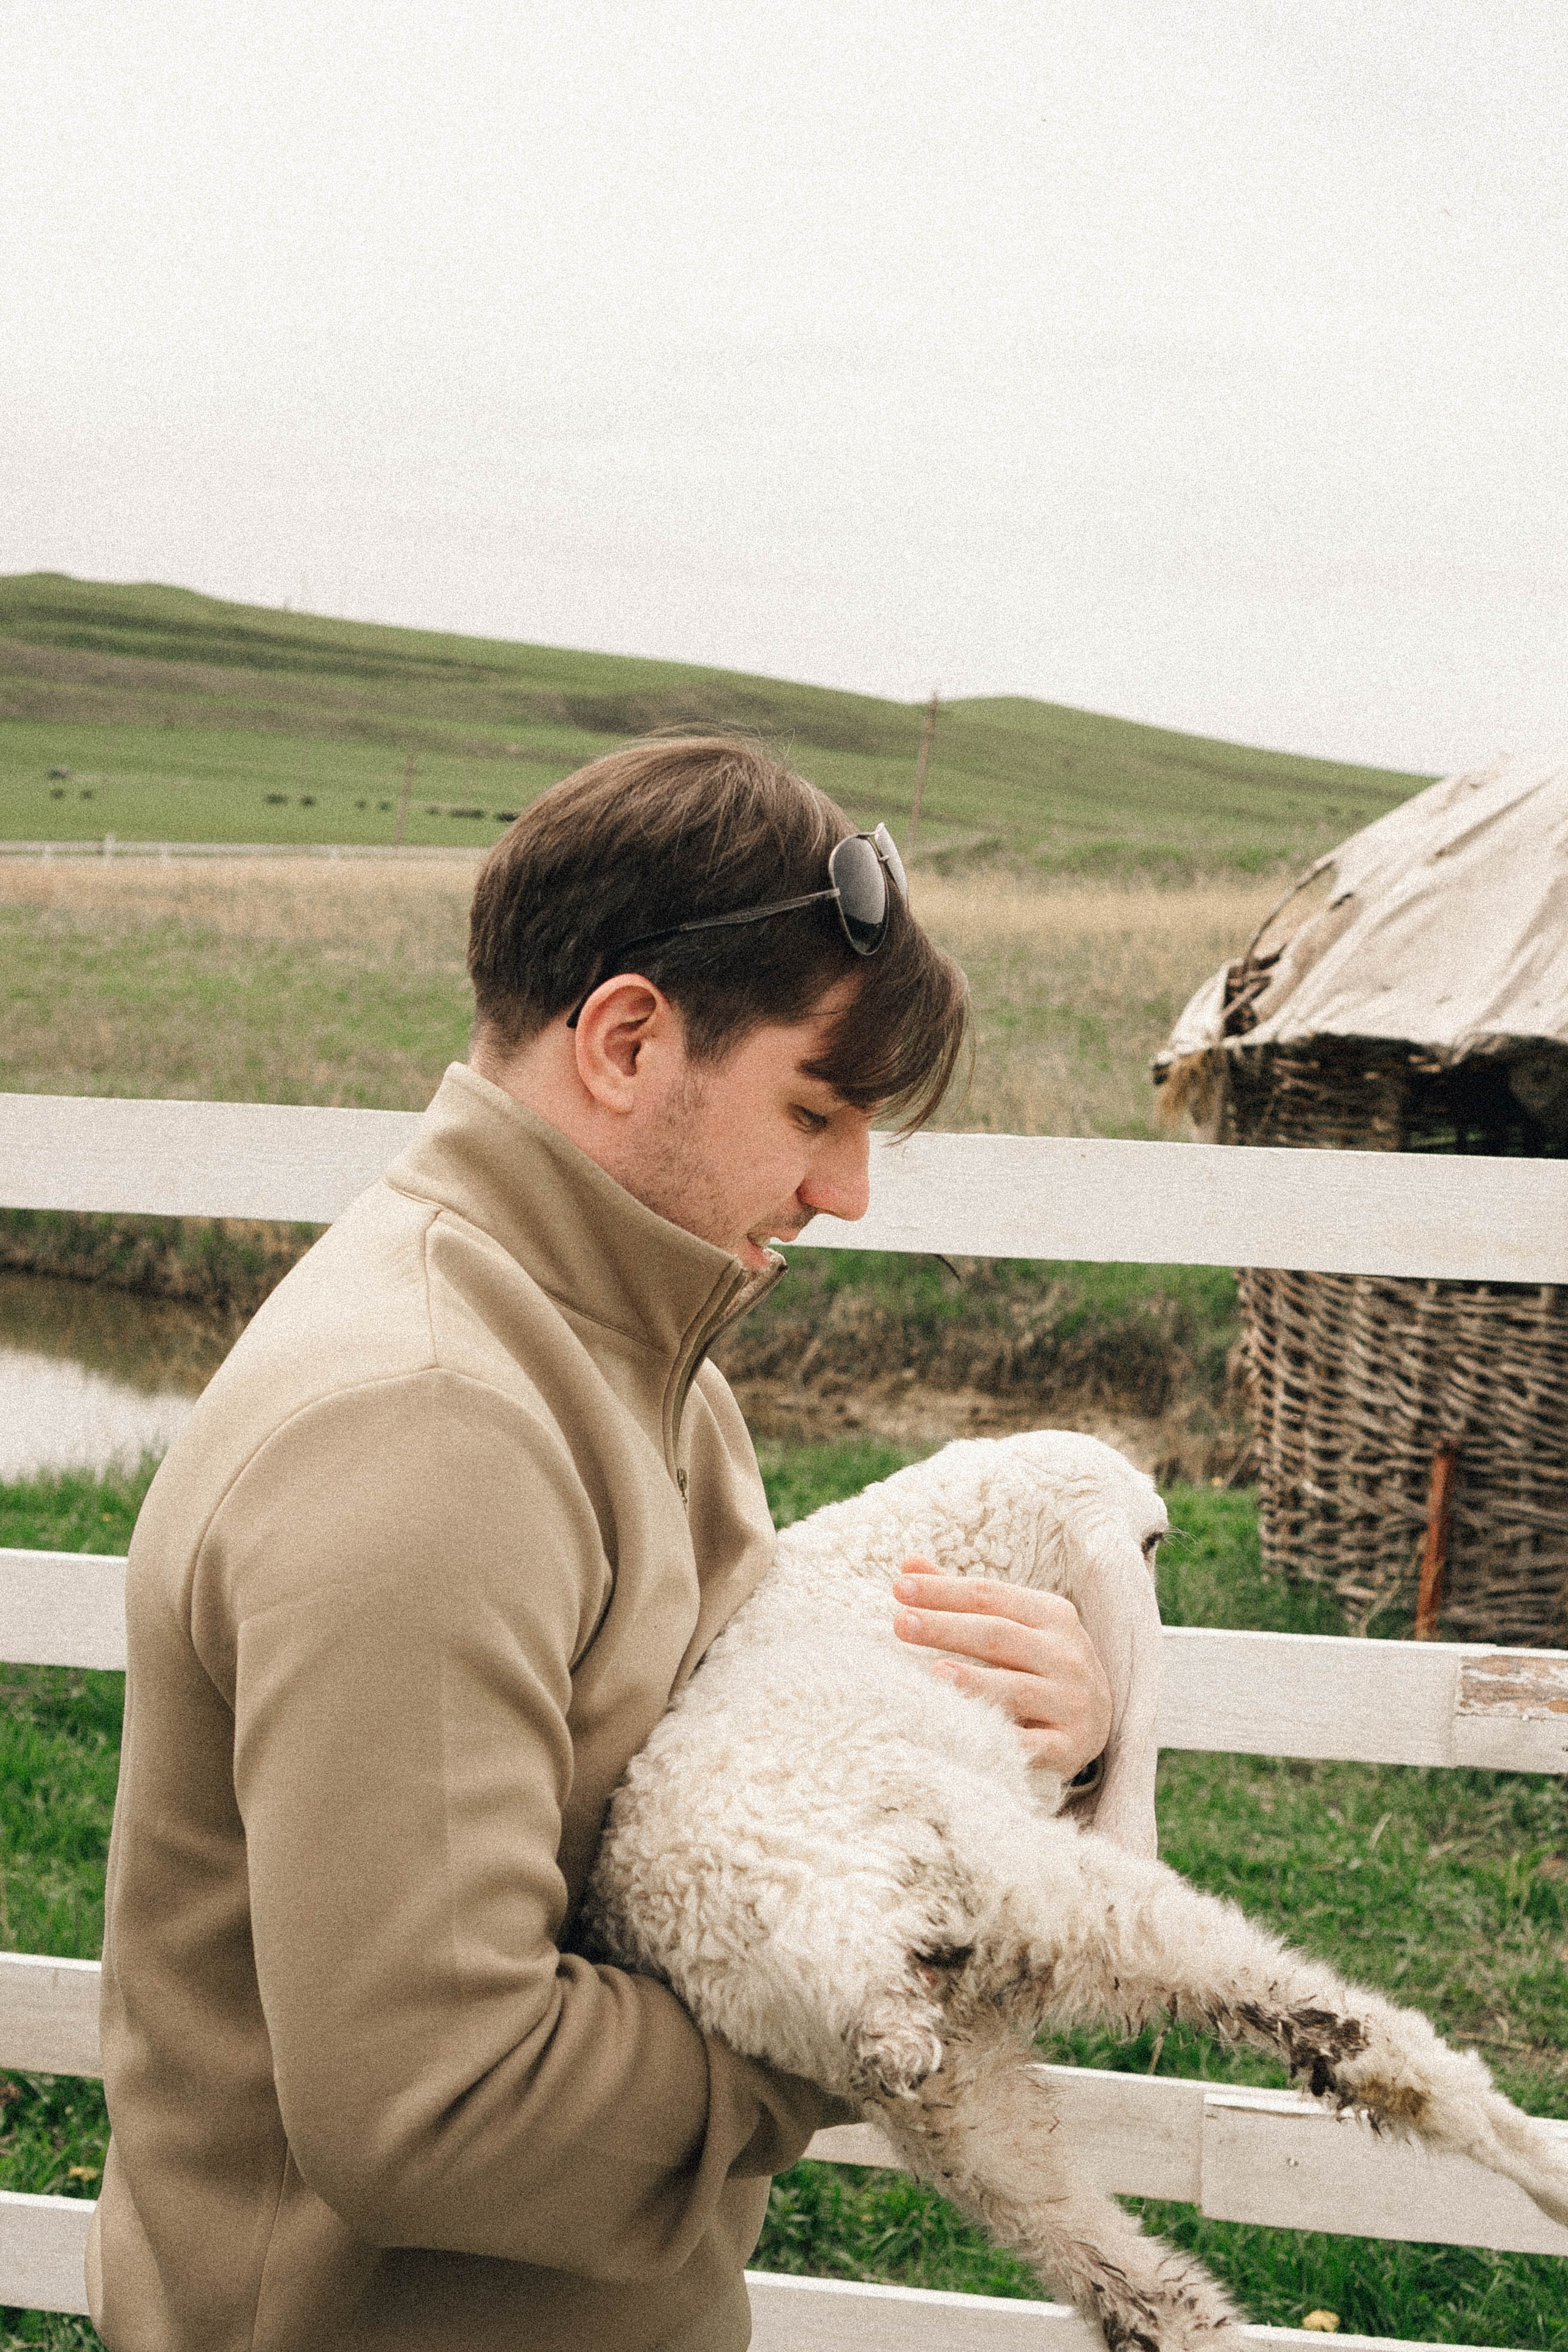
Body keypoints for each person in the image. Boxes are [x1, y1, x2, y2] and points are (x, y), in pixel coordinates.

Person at [90, 739, 1115, 2352]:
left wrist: (1006, 1732)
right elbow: (442, 2105)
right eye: (815, 1109)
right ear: (628, 1040)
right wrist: (878, 2007)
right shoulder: (429, 1429)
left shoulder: (622, 1358)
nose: (847, 1191)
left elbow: (721, 1771)